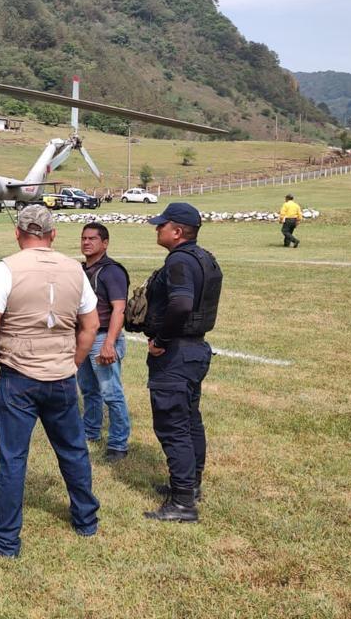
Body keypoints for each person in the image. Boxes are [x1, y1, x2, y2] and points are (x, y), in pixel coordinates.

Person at [0, 205, 101, 558]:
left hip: (19, 377)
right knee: (73, 450)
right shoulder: (75, 269)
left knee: (13, 459)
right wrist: (72, 362)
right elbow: (90, 326)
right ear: (53, 235)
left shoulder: (7, 269)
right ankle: (86, 521)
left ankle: (5, 541)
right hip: (60, 376)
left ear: (18, 233)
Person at [143, 202, 222, 523]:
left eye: (162, 225)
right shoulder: (205, 258)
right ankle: (190, 485)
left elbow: (181, 304)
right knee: (189, 421)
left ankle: (183, 503)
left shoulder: (178, 261)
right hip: (195, 350)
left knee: (173, 426)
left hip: (176, 353)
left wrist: (160, 340)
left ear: (177, 232)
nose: (157, 228)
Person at [77, 223, 131, 462]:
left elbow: (119, 309)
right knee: (89, 390)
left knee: (112, 393)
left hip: (102, 337)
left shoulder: (112, 272)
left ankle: (118, 443)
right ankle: (91, 432)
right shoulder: (80, 270)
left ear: (105, 243)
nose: (87, 242)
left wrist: (110, 343)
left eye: (92, 239)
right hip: (83, 338)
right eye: (84, 238)